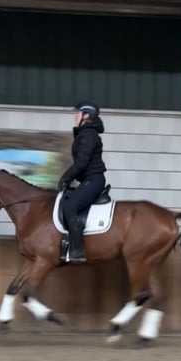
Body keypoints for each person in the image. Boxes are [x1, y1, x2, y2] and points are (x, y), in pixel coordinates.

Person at [57, 100, 107, 262]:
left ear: (87, 115)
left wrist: (66, 178)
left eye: (78, 113)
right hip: (88, 179)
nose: (75, 116)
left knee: (70, 206)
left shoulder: (88, 135)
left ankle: (78, 249)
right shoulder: (85, 133)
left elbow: (81, 163)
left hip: (93, 180)